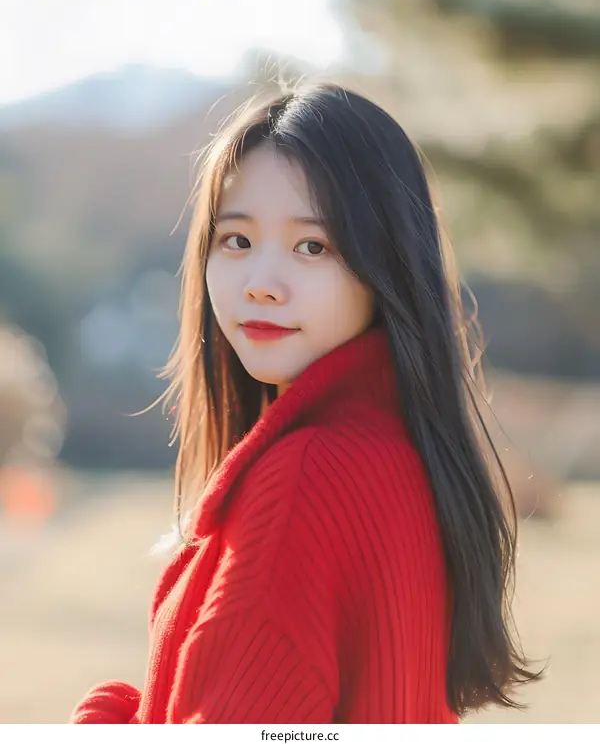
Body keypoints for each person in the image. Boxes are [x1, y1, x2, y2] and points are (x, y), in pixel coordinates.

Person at [69, 83, 542, 724]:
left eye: (312, 247)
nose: (261, 284)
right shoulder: (396, 453)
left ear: (388, 268)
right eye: (236, 241)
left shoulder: (304, 483)